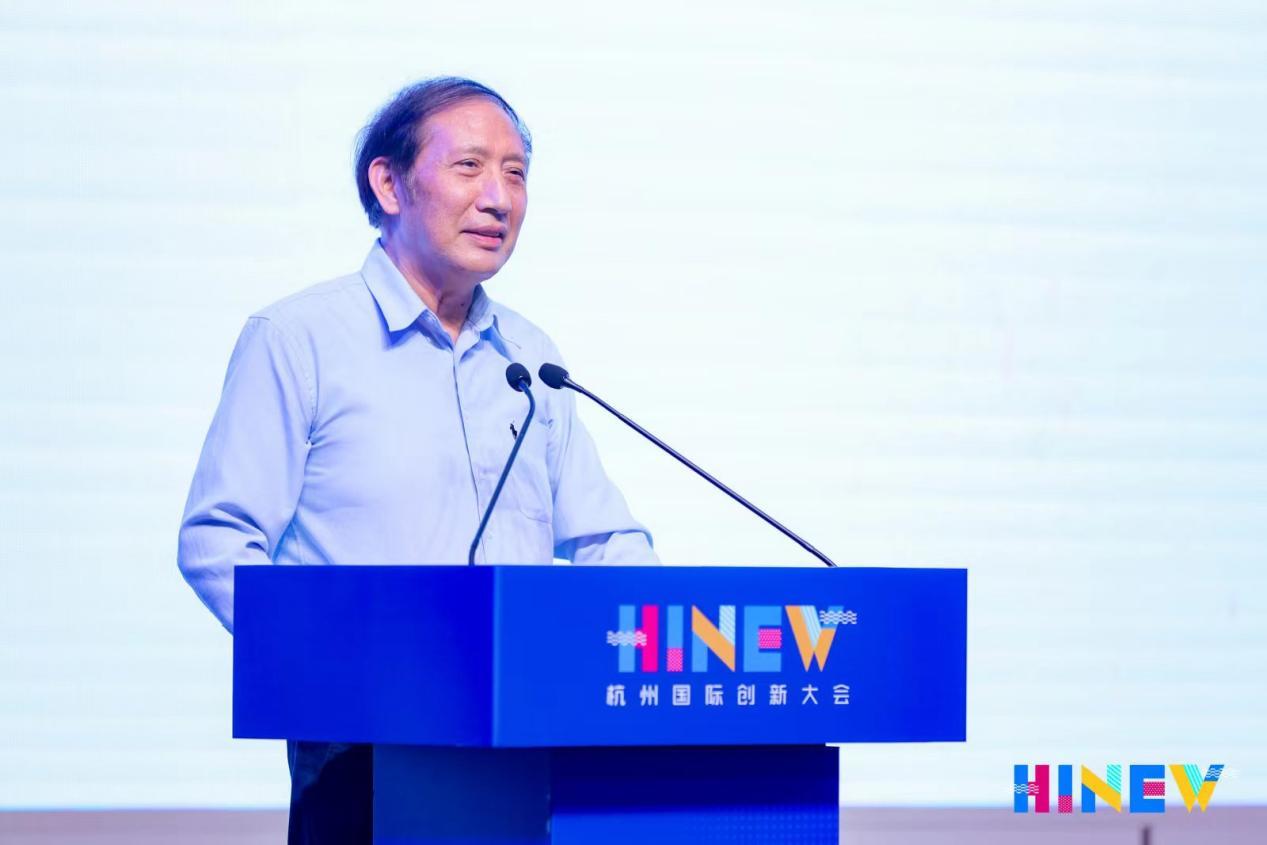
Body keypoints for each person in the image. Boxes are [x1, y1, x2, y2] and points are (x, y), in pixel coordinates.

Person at [177, 76, 657, 844]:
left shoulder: (531, 358)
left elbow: (607, 540)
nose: (499, 198)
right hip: (363, 754)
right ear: (388, 183)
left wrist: (661, 636)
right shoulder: (300, 338)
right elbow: (217, 540)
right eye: (470, 166)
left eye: (515, 173)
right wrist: (340, 669)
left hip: (524, 746)